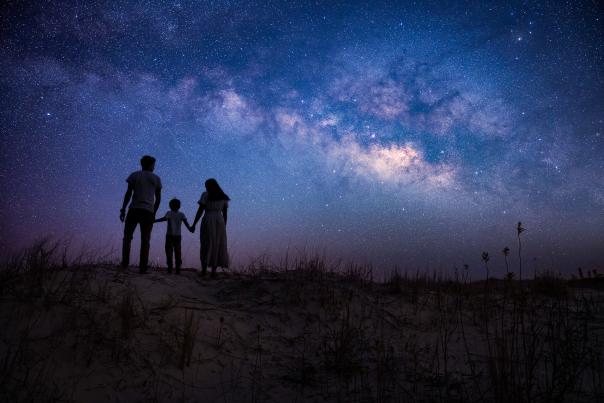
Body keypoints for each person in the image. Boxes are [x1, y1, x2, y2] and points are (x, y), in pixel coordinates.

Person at [120, 155, 162, 273]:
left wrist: (123, 208)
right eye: (153, 165)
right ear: (150, 165)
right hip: (148, 211)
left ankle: (124, 264)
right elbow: (158, 199)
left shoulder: (134, 175)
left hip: (133, 209)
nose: (154, 167)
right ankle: (142, 268)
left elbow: (128, 194)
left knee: (127, 238)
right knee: (145, 239)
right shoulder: (156, 178)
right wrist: (154, 212)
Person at [191, 178, 230, 277]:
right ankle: (213, 271)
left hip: (208, 219)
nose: (205, 187)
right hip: (219, 221)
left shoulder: (205, 195)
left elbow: (200, 211)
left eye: (206, 185)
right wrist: (224, 226)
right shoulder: (223, 197)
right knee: (217, 244)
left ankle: (204, 270)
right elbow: (225, 214)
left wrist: (194, 223)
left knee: (206, 243)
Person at [154, 198, 193, 274]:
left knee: (169, 252)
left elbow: (164, 219)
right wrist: (190, 229)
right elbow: (186, 223)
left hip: (169, 236)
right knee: (178, 252)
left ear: (170, 206)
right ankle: (178, 269)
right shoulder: (182, 214)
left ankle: (170, 268)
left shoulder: (169, 213)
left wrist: (155, 221)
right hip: (178, 236)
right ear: (179, 206)